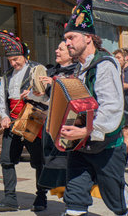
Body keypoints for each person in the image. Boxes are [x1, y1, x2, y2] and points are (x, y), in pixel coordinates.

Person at [60, 0, 128, 216]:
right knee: (73, 202)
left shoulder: (104, 65)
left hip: (107, 147)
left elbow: (111, 109)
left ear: (88, 38)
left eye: (71, 38)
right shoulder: (76, 69)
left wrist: (85, 130)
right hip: (80, 146)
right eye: (66, 39)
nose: (67, 43)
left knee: (118, 203)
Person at [0, 29, 48, 212]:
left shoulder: (38, 70)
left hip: (33, 121)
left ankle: (41, 197)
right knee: (6, 160)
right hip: (12, 122)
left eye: (16, 59)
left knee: (39, 161)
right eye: (10, 60)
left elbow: (47, 96)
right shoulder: (7, 76)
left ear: (24, 55)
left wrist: (32, 94)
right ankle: (10, 199)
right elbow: (1, 100)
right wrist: (4, 116)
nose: (13, 63)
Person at [38, 41, 77, 195]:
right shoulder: (52, 71)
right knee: (49, 158)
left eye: (60, 49)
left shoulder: (77, 72)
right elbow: (46, 99)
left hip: (68, 122)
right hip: (50, 121)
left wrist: (55, 84)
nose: (56, 51)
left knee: (65, 160)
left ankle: (72, 200)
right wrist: (33, 93)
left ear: (70, 54)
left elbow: (75, 95)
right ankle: (61, 194)